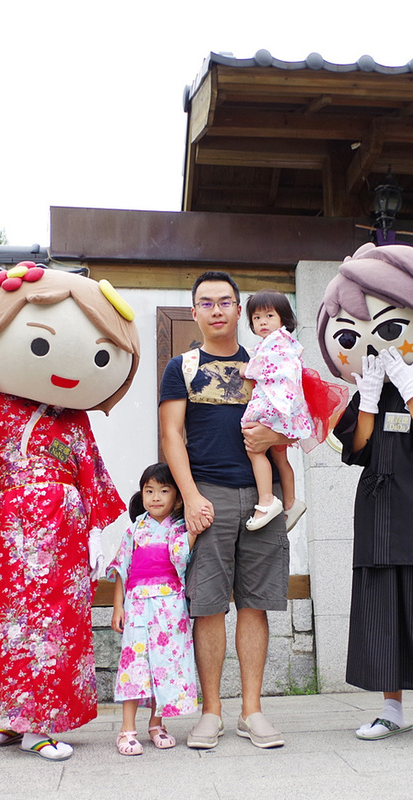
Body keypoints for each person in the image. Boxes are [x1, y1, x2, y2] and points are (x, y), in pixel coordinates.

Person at [0, 265, 141, 761]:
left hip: (64, 525)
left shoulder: (74, 416)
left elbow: (91, 472)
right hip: (16, 520)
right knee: (10, 621)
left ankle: (43, 724)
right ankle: (8, 719)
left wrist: (97, 534)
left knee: (56, 623)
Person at [320, 243, 413, 754]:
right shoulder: (373, 386)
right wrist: (367, 398)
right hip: (381, 516)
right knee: (382, 613)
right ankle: (392, 708)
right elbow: (357, 448)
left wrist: (411, 387)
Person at [159, 270, 290, 750]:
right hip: (207, 496)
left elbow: (291, 419)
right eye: (207, 302)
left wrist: (277, 439)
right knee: (209, 605)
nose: (217, 309)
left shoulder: (267, 360)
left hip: (261, 500)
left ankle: (251, 711)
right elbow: (172, 434)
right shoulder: (183, 366)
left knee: (255, 604)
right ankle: (211, 711)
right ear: (194, 312)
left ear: (240, 309)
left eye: (225, 302)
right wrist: (190, 497)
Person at [109, 463, 200, 755]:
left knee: (164, 666)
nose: (156, 497)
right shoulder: (135, 529)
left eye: (164, 490)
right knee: (134, 665)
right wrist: (117, 607)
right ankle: (127, 730)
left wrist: (193, 533)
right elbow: (122, 569)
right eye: (149, 491)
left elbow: (181, 559)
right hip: (137, 605)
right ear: (142, 494)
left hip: (170, 607)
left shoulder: (179, 528)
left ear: (177, 497)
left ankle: (156, 724)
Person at [240, 290, 312, 530]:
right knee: (280, 455)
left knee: (255, 448)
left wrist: (244, 369)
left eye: (269, 315)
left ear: (283, 319)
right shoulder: (285, 342)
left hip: (271, 405)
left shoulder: (275, 342)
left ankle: (267, 500)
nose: (262, 322)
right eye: (257, 317)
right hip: (284, 407)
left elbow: (261, 367)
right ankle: (291, 502)